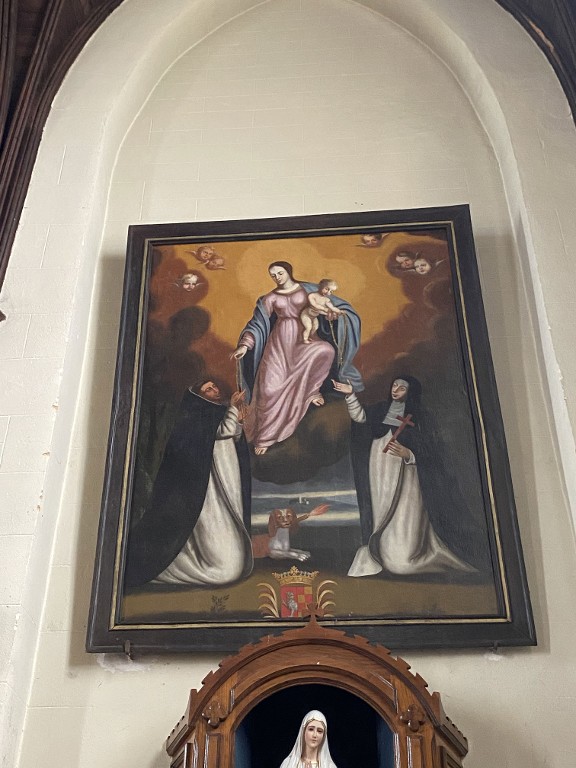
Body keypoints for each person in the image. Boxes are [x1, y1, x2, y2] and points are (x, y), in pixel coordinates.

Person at [333, 376, 475, 577]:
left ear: (410, 392)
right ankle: (381, 550)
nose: (396, 389)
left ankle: (413, 554)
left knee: (403, 557)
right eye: (394, 385)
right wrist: (350, 396)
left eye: (402, 387)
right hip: (379, 474)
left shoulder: (420, 416)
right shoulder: (380, 410)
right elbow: (360, 417)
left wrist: (409, 454)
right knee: (381, 517)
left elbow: (432, 451)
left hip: (408, 480)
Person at [124, 379, 253, 588]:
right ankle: (167, 567)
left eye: (215, 386)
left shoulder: (215, 413)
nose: (215, 390)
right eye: (208, 388)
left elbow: (230, 435)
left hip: (221, 495)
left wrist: (236, 419)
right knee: (227, 569)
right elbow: (222, 432)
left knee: (232, 564)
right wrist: (232, 409)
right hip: (204, 497)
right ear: (198, 395)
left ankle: (171, 563)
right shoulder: (194, 416)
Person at [231, 261, 362, 455]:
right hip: (279, 345)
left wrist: (332, 315)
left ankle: (311, 391)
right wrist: (245, 345)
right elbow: (257, 324)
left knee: (325, 351)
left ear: (288, 272)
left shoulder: (307, 290)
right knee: (268, 389)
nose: (277, 277)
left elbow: (330, 304)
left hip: (304, 339)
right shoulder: (270, 298)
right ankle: (264, 436)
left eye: (280, 273)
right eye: (273, 275)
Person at [300, 279, 345, 344]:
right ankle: (305, 339)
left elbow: (332, 307)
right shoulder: (312, 295)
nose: (328, 292)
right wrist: (324, 309)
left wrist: (339, 311)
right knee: (308, 327)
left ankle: (309, 336)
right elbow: (315, 305)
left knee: (315, 327)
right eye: (326, 289)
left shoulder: (326, 300)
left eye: (331, 291)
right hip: (306, 315)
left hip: (314, 316)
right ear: (320, 286)